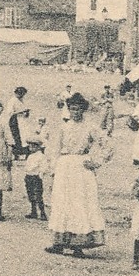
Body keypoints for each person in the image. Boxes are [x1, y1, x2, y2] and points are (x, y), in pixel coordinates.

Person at [45, 92, 107, 257]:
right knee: (62, 202)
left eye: (79, 109)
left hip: (81, 168)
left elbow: (107, 144)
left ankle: (78, 245)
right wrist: (53, 169)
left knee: (80, 203)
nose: (75, 112)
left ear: (83, 110)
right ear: (68, 110)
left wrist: (96, 161)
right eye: (72, 109)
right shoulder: (63, 127)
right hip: (65, 167)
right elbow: (54, 150)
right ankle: (59, 243)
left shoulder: (90, 127)